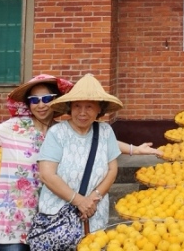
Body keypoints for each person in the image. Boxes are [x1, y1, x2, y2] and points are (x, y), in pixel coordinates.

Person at [0, 74, 159, 250]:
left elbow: (104, 143)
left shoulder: (65, 127)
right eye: (34, 100)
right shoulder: (15, 127)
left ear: (57, 101)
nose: (40, 105)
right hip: (15, 214)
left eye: (47, 99)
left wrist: (136, 149)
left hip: (53, 213)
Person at [36, 73, 122, 233]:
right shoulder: (57, 133)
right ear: (70, 107)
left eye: (89, 106)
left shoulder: (106, 131)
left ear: (99, 109)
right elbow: (47, 175)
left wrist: (93, 198)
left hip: (94, 214)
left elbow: (112, 170)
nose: (82, 112)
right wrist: (79, 201)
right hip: (58, 220)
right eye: (77, 106)